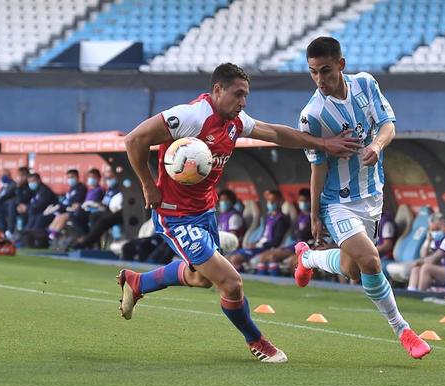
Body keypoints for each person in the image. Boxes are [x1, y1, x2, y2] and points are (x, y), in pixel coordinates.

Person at [117, 62, 361, 363]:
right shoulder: (191, 116)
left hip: (204, 211)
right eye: (238, 94)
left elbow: (275, 133)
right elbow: (134, 140)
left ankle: (138, 283)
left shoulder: (235, 121)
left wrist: (323, 143)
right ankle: (257, 341)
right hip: (174, 214)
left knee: (201, 279)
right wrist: (147, 185)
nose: (243, 102)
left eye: (246, 96)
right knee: (231, 283)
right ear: (217, 90)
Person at [291, 37, 430, 359]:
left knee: (354, 270)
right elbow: (317, 169)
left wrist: (377, 146)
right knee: (370, 261)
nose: (320, 80)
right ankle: (404, 331)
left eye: (325, 71)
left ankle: (308, 259)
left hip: (372, 195)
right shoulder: (312, 115)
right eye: (313, 73)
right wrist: (314, 216)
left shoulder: (366, 84)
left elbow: (388, 125)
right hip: (336, 201)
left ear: (341, 65)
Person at [227, 189, 290, 272]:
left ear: (279, 201)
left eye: (273, 201)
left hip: (266, 248)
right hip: (259, 246)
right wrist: (255, 243)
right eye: (269, 201)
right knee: (228, 257)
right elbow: (263, 236)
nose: (270, 203)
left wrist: (259, 245)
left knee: (235, 259)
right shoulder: (268, 217)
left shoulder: (281, 219)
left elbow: (276, 241)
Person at [255, 188, 314, 276]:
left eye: (305, 201)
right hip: (295, 245)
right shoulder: (300, 216)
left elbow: (308, 236)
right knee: (263, 257)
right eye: (301, 201)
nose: (302, 203)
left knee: (274, 257)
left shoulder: (314, 218)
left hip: (307, 247)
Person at [407, 213, 445, 292]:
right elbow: (424, 255)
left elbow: (432, 260)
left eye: (436, 229)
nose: (434, 232)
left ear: (443, 224)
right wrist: (428, 240)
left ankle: (420, 294)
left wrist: (419, 262)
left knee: (426, 268)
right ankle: (411, 293)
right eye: (431, 230)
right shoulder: (437, 238)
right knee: (416, 268)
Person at [47, 169, 87, 241]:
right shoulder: (71, 189)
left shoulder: (81, 188)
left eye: (72, 177)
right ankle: (49, 234)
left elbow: (74, 203)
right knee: (57, 216)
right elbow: (65, 201)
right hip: (66, 209)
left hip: (76, 212)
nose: (70, 179)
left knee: (63, 216)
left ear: (77, 177)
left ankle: (53, 236)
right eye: (68, 177)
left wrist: (64, 206)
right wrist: (57, 207)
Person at [0, 169, 17, 237]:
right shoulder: (4, 187)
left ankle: (8, 231)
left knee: (0, 207)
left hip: (10, 206)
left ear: (9, 175)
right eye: (1, 175)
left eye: (4, 175)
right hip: (2, 206)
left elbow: (4, 197)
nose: (2, 177)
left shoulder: (13, 185)